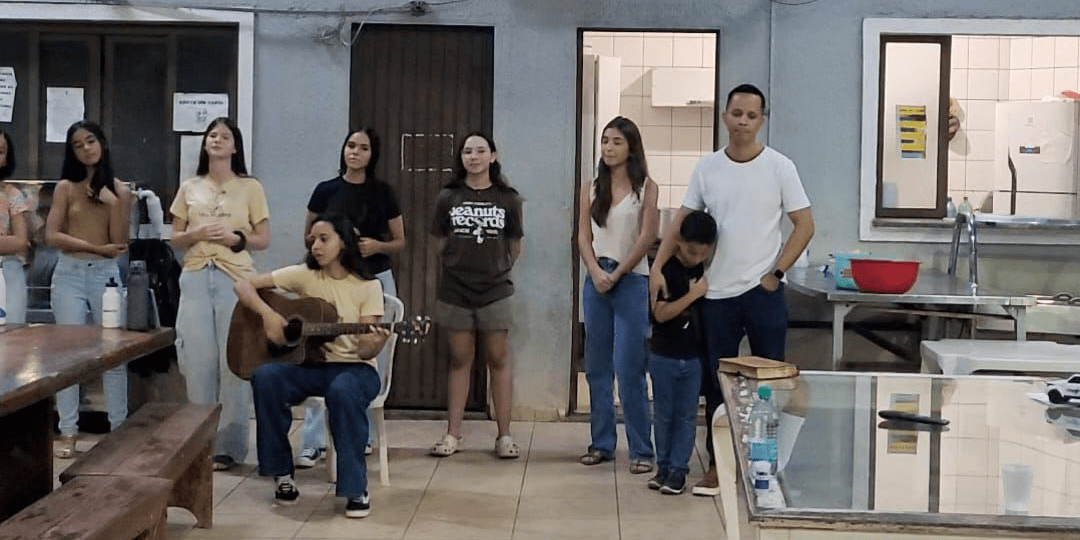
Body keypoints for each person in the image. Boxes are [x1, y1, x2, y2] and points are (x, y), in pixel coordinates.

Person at [650, 83, 814, 496]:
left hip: (763, 294)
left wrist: (776, 273)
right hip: (716, 295)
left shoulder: (780, 167)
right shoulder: (708, 168)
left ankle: (764, 465)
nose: (743, 122)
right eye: (736, 113)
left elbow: (805, 225)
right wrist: (656, 268)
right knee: (717, 385)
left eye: (751, 116)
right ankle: (718, 465)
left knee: (767, 386)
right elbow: (681, 221)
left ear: (762, 120)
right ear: (725, 116)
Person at [238, 212, 388, 518]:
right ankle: (282, 474)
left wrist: (374, 343)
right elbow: (243, 286)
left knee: (343, 390)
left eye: (323, 239)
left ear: (343, 242)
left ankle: (355, 487)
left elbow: (364, 351)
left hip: (355, 369)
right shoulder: (304, 275)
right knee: (266, 376)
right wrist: (269, 316)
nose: (315, 246)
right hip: (310, 366)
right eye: (312, 240)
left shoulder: (368, 286)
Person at [296, 126, 405, 468]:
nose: (355, 152)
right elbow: (308, 235)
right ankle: (313, 442)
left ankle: (363, 436)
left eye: (363, 148)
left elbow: (400, 241)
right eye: (351, 146)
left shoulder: (383, 192)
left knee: (369, 355)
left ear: (373, 155)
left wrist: (376, 246)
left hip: (373, 279)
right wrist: (331, 246)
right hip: (331, 280)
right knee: (320, 353)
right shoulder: (326, 190)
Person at [170, 117, 270, 472]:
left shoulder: (250, 187)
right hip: (196, 275)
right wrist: (195, 234)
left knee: (234, 361)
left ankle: (230, 446)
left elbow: (263, 239)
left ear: (235, 146)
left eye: (224, 136)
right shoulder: (189, 187)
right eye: (212, 135)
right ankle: (200, 444)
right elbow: (174, 238)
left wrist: (234, 239)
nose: (216, 140)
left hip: (235, 278)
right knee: (198, 362)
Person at [428, 132, 523, 459]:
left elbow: (515, 246)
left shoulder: (508, 198)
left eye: (481, 150)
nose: (474, 157)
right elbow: (439, 242)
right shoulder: (448, 196)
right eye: (468, 151)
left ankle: (504, 436)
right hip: (455, 290)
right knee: (460, 359)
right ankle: (453, 434)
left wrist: (495, 268)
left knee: (498, 358)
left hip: (496, 291)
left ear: (492, 156)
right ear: (461, 157)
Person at [46, 121, 132, 458]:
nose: (86, 149)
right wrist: (93, 247)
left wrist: (115, 204)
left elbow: (119, 244)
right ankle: (68, 430)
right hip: (69, 273)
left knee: (113, 354)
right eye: (78, 145)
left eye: (91, 141)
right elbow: (52, 236)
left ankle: (119, 429)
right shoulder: (66, 188)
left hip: (105, 276)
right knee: (68, 355)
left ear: (102, 143)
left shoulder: (119, 191)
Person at [576, 116, 658, 474]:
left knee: (629, 368)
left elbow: (646, 237)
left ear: (631, 148)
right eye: (605, 141)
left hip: (631, 279)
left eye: (616, 142)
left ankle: (641, 449)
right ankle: (601, 443)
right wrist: (595, 271)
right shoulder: (591, 188)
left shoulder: (647, 188)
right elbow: (583, 236)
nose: (608, 148)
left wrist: (619, 272)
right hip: (596, 279)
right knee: (597, 368)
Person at [646, 210, 715, 495]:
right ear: (679, 243)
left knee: (687, 416)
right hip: (664, 354)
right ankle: (662, 467)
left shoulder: (708, 270)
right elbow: (660, 314)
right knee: (663, 415)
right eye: (690, 251)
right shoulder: (666, 270)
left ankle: (678, 470)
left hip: (693, 357)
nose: (695, 259)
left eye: (702, 254)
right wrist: (693, 294)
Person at [0, 130, 30, 324]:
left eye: (0, 151)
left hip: (8, 272)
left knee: (12, 333)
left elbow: (21, 241)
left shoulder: (12, 194)